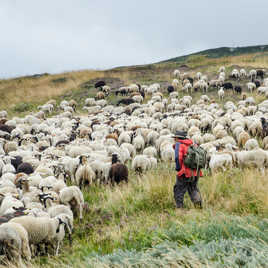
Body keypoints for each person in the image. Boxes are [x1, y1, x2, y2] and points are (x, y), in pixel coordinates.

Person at [172, 131, 203, 209]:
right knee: (193, 188)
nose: (174, 140)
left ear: (177, 138)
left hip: (185, 172)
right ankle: (198, 207)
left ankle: (179, 208)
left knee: (179, 189)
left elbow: (178, 158)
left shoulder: (179, 145)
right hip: (196, 172)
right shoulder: (192, 144)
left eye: (174, 138)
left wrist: (178, 169)